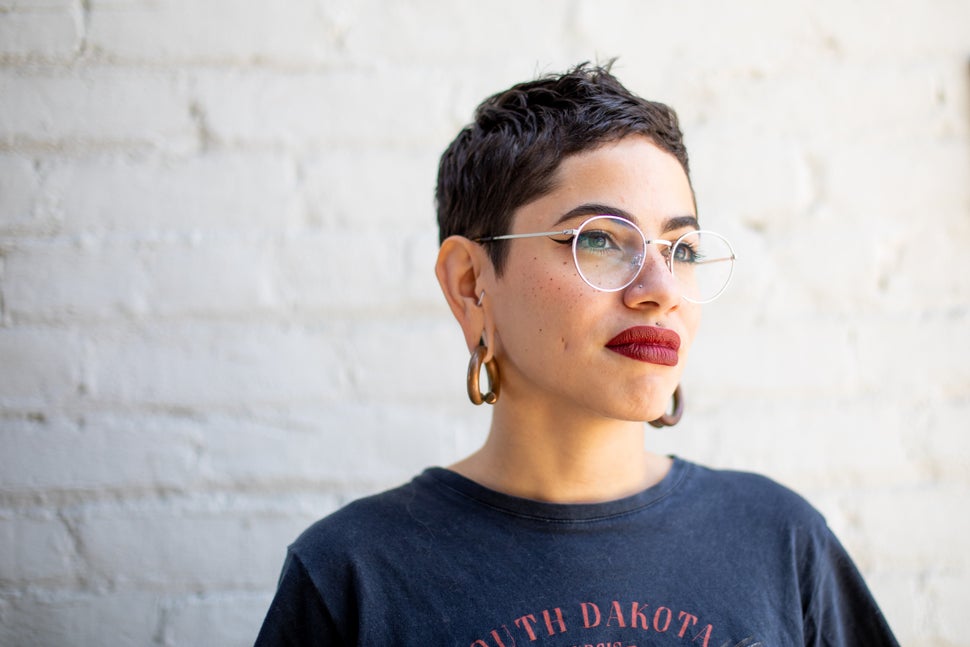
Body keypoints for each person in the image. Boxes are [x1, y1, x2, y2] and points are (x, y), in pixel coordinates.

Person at [255, 63, 899, 646]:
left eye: (682, 251)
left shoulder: (778, 539)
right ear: (471, 284)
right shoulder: (353, 573)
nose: (660, 292)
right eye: (599, 241)